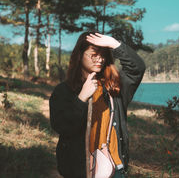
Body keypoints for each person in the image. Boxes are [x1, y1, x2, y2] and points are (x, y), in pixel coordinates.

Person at [49, 32, 145, 178]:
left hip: (114, 168)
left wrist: (115, 44)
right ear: (80, 55)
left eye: (103, 54)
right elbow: (62, 126)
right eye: (94, 54)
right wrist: (81, 98)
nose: (99, 58)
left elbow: (137, 68)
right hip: (79, 170)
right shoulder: (64, 90)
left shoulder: (115, 87)